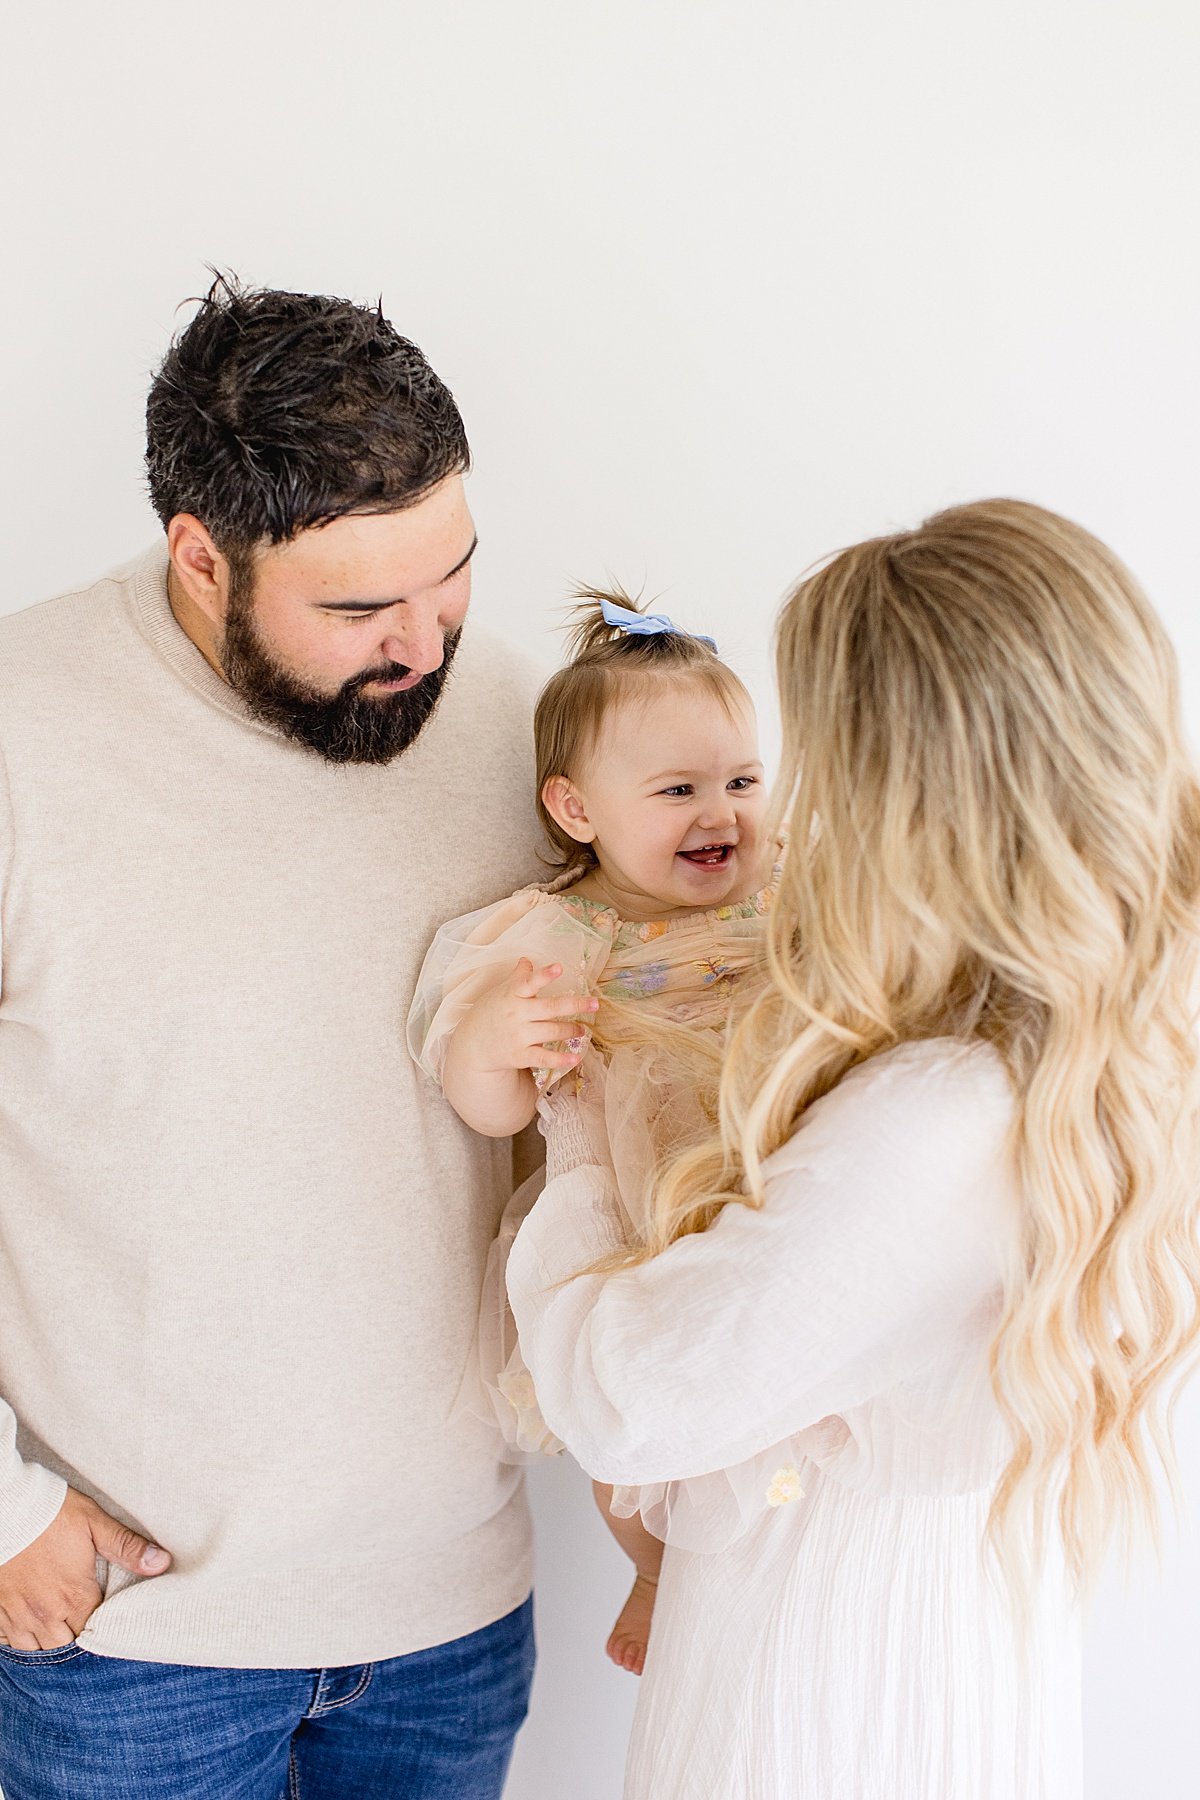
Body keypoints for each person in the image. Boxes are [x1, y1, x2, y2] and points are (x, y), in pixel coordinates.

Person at [507, 500, 1200, 1798]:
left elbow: (628, 1394)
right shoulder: (1098, 1041)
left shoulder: (937, 1117)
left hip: (821, 1690)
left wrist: (586, 1142)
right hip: (942, 1647)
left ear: (913, 797)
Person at [0, 277, 543, 1798]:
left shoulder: (527, 726)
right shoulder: (22, 730)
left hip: (454, 1621)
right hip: (133, 1648)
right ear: (199, 556)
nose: (423, 646)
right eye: (360, 608)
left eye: (452, 581)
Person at [407, 591, 775, 1675]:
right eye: (678, 791)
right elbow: (491, 1109)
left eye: (742, 781)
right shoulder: (553, 933)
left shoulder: (788, 894)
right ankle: (654, 1565)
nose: (722, 814)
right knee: (624, 1418)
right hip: (626, 1213)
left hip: (768, 1187)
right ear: (576, 810)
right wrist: (493, 1036)